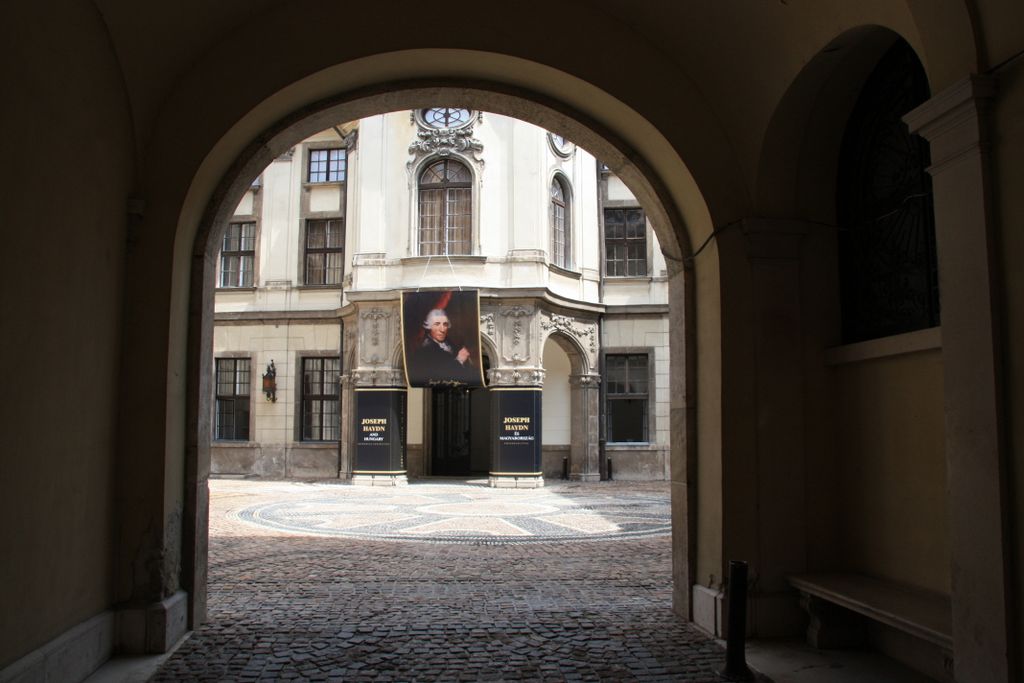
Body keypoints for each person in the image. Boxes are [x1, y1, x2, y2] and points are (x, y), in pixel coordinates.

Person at [408, 308, 479, 384]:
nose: (442, 329)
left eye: (445, 324)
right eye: (437, 324)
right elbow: (440, 375)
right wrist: (460, 359)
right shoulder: (426, 349)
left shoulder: (449, 343)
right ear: (429, 326)